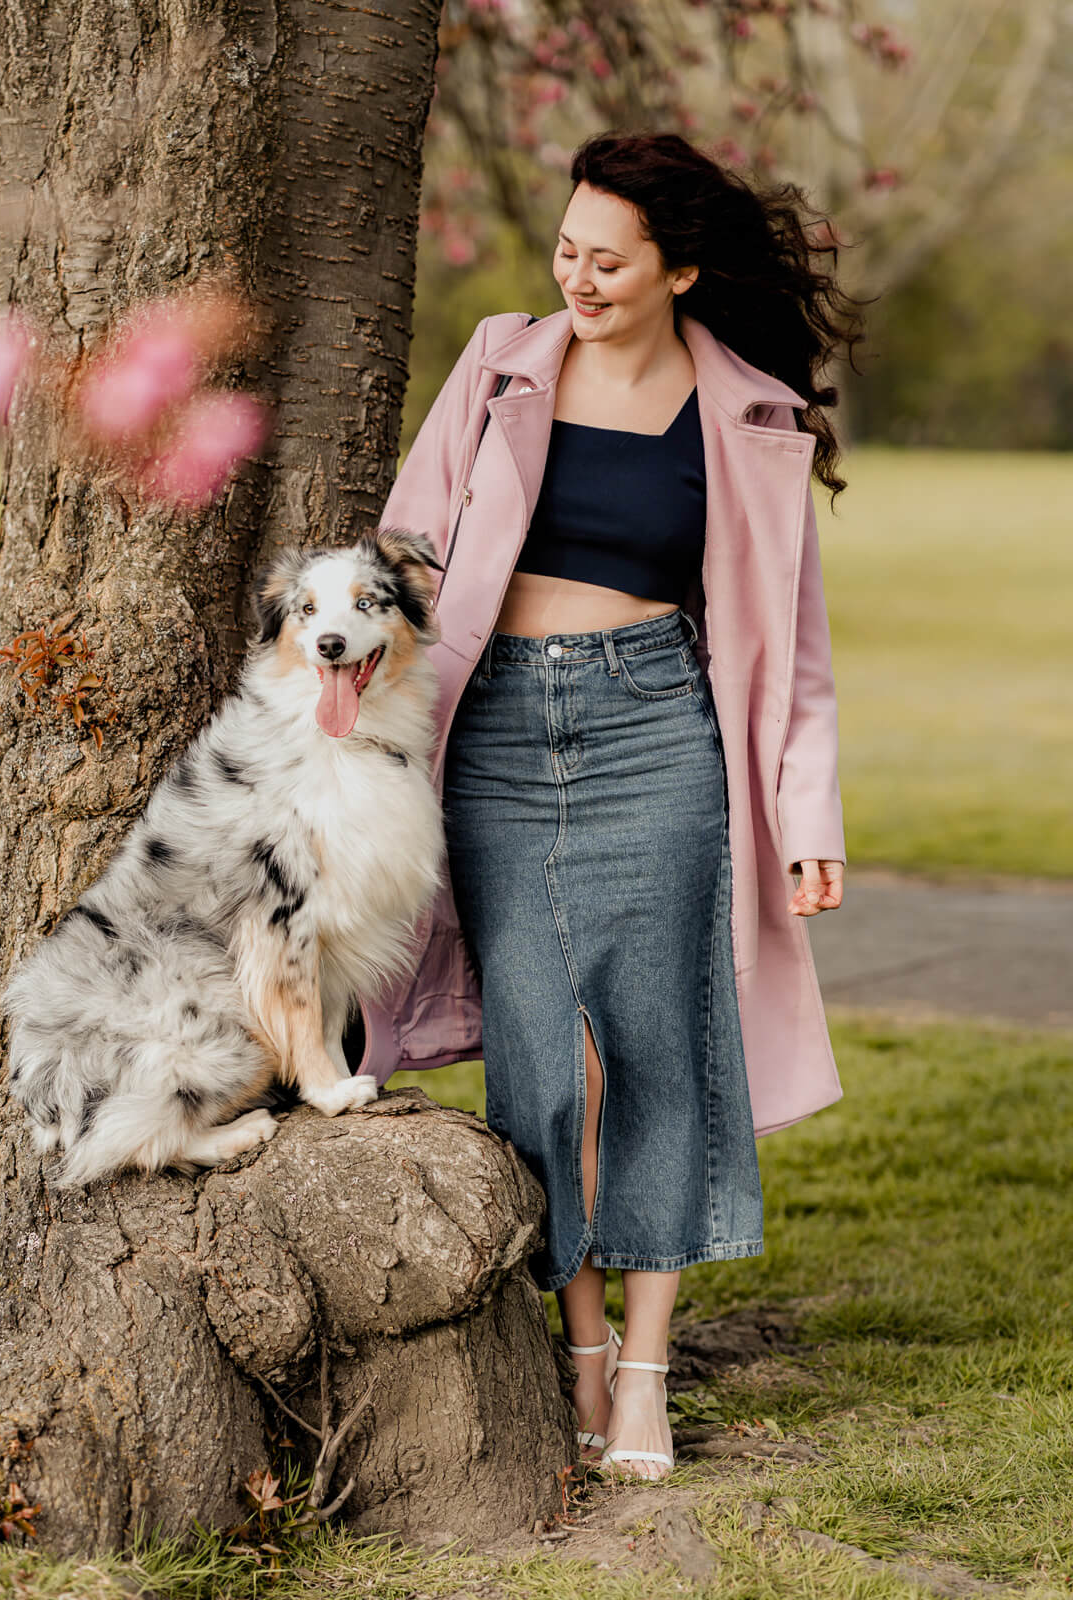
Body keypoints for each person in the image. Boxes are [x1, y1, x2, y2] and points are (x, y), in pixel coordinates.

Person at [363, 131, 863, 1481]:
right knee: (539, 1058)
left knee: (658, 1048)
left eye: (607, 259)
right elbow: (409, 543)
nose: (574, 277)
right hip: (498, 733)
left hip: (658, 726)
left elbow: (794, 642)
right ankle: (575, 1348)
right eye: (567, 250)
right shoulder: (502, 362)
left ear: (676, 270)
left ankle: (642, 1375)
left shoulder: (750, 416)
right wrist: (355, 704)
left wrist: (803, 809)